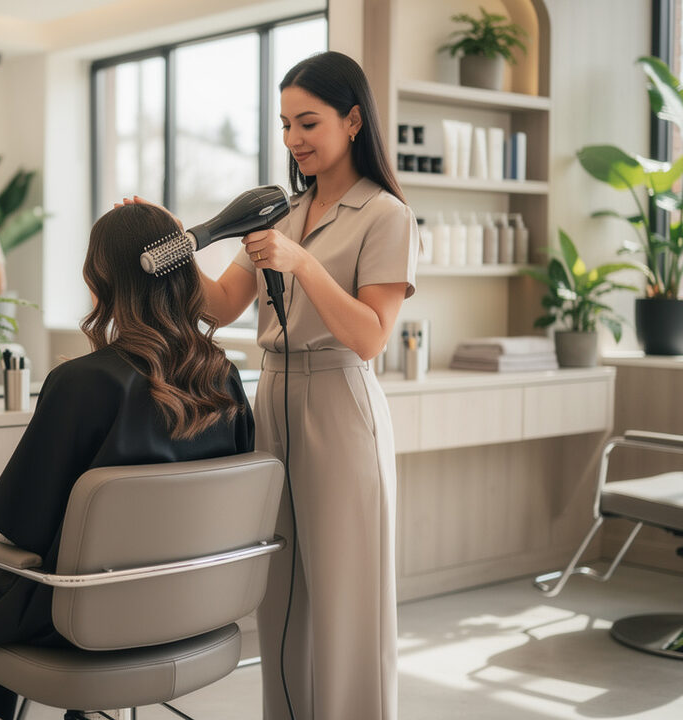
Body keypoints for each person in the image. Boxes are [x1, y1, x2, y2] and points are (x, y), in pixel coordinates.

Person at [0, 202, 256, 720]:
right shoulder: (222, 378)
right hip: (191, 609)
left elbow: (19, 531)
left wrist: (2, 535)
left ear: (101, 278)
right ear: (183, 274)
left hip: (78, 614)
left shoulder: (84, 382)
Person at [126, 50, 417, 720]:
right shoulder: (281, 211)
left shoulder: (386, 216)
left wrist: (302, 264)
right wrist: (170, 236)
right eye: (285, 124)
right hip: (274, 404)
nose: (293, 140)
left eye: (308, 123)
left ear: (352, 121)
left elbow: (371, 336)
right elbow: (222, 305)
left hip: (342, 405)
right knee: (281, 598)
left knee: (347, 602)